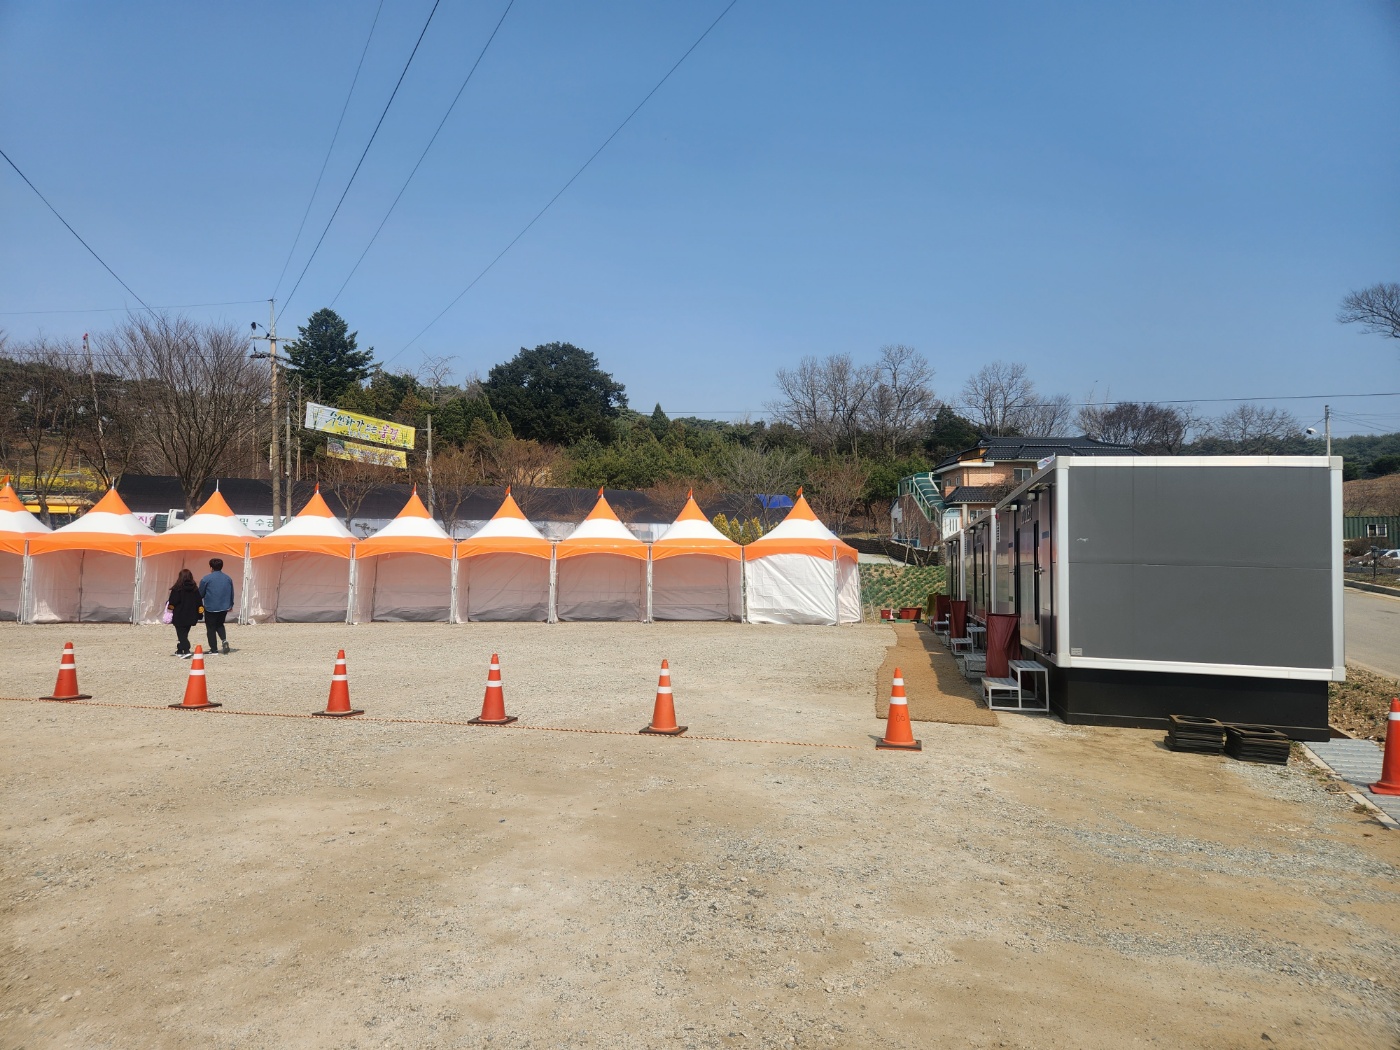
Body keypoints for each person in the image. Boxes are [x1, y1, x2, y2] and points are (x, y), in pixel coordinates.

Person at [199, 557, 235, 655]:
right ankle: (224, 640)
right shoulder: (228, 578)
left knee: (210, 628)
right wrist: (231, 604)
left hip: (211, 607)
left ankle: (213, 649)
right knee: (220, 624)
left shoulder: (206, 579)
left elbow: (201, 593)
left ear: (211, 567)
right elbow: (231, 592)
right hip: (224, 606)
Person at [166, 568, 202, 658]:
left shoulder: (177, 589)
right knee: (184, 634)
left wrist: (169, 609)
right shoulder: (195, 589)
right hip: (191, 615)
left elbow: (172, 602)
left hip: (179, 615)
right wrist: (200, 614)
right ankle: (179, 649)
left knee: (181, 634)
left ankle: (186, 650)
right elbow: (199, 603)